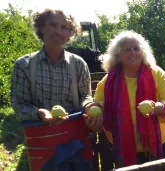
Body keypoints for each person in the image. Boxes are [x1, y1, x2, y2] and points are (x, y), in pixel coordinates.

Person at [10, 9, 102, 170]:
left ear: (70, 33)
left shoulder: (78, 64)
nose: (58, 31)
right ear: (42, 28)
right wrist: (39, 113)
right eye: (53, 25)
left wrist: (89, 106)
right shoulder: (23, 65)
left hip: (76, 143)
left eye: (64, 27)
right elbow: (19, 104)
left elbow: (85, 95)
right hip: (41, 142)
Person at [93, 30, 165, 169]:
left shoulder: (157, 74)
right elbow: (98, 104)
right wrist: (96, 110)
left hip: (158, 142)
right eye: (127, 49)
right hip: (122, 143)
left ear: (143, 52)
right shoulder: (108, 80)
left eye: (136, 48)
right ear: (118, 55)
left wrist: (157, 107)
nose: (132, 53)